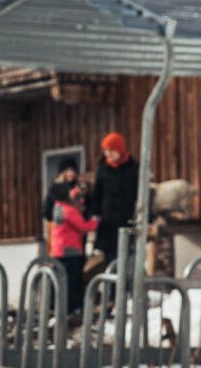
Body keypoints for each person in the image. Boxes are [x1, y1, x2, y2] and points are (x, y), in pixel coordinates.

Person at [87, 131, 140, 267]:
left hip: (126, 219)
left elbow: (140, 193)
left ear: (119, 150)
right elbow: (97, 194)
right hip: (108, 222)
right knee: (110, 259)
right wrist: (94, 214)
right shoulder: (103, 169)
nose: (108, 154)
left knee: (127, 257)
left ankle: (126, 287)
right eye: (106, 151)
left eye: (111, 150)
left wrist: (145, 215)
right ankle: (112, 287)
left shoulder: (133, 168)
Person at [49, 183, 98, 318]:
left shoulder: (58, 207)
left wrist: (77, 194)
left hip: (58, 251)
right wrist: (95, 221)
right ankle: (72, 309)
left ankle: (56, 307)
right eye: (69, 190)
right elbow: (84, 226)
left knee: (59, 280)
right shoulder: (69, 210)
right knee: (72, 281)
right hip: (71, 251)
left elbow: (77, 204)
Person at [41, 157, 79, 223]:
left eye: (73, 170)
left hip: (78, 227)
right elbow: (47, 211)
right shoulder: (55, 188)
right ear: (62, 173)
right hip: (62, 228)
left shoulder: (79, 187)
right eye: (67, 170)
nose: (70, 173)